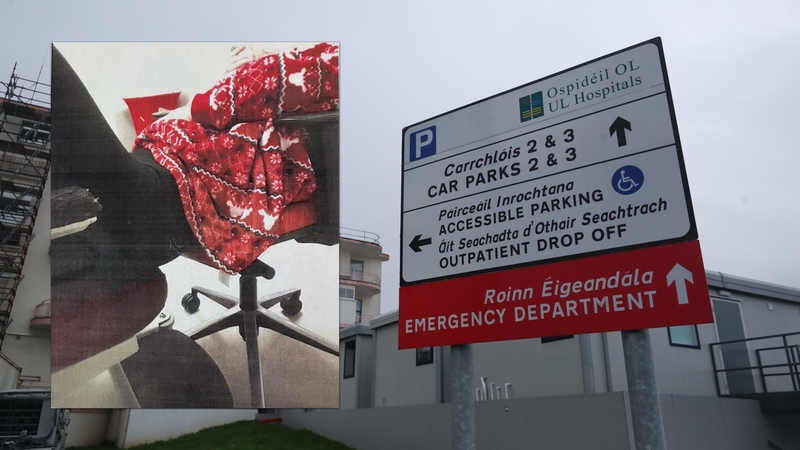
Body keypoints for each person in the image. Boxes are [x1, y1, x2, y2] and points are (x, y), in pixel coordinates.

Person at [50, 43, 339, 371]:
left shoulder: (330, 60)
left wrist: (191, 108)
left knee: (114, 195)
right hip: (188, 157)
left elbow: (276, 82)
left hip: (209, 178)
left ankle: (113, 224)